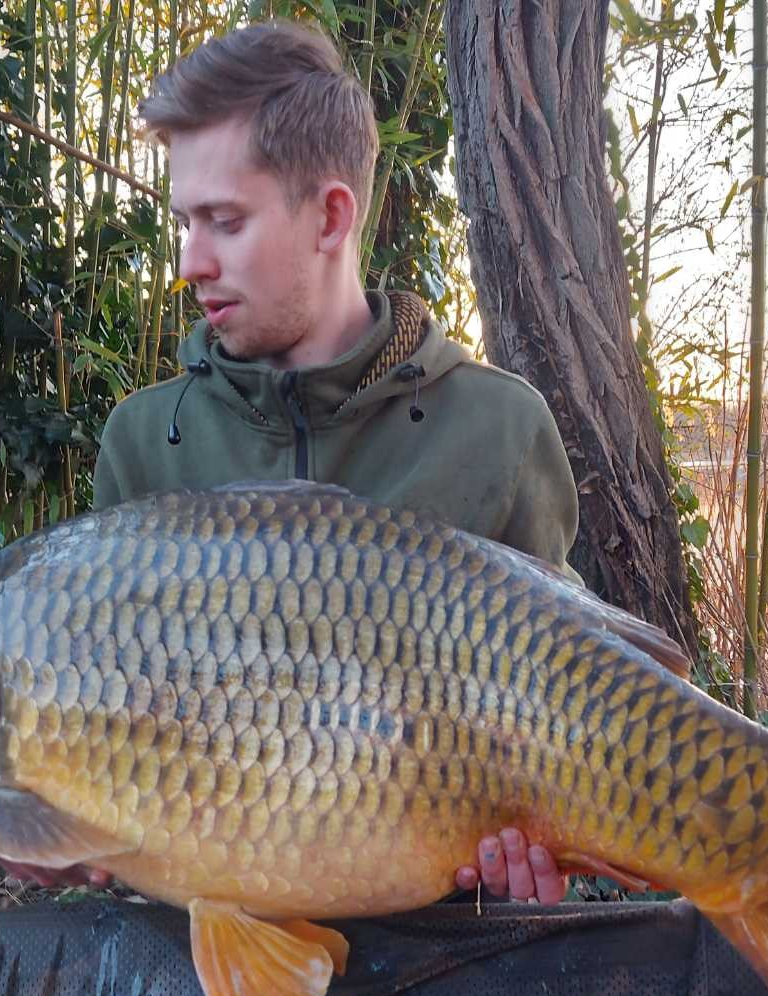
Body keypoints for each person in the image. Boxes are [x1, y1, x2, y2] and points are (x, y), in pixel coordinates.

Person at [69, 20, 576, 904]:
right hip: (206, 941)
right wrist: (67, 826)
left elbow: (569, 705)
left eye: (225, 221)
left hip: (438, 939)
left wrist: (541, 846)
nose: (189, 263)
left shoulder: (499, 427)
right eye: (185, 222)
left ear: (331, 216)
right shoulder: (143, 443)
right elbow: (105, 732)